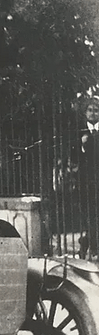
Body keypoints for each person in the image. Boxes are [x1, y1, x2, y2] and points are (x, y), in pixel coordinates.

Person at [73, 97, 99, 258]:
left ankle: (90, 244)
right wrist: (82, 145)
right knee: (88, 214)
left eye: (96, 110)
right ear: (85, 113)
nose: (93, 113)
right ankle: (89, 243)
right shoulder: (79, 132)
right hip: (85, 181)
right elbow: (73, 155)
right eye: (90, 110)